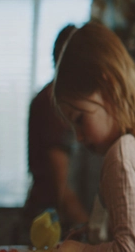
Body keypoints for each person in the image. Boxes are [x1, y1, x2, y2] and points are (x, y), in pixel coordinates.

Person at [53, 21, 135, 252]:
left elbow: (130, 250)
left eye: (79, 119)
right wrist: (93, 232)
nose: (78, 137)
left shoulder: (122, 156)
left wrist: (78, 250)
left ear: (108, 88)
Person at [24, 24, 89, 232]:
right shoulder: (52, 103)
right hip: (50, 222)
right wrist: (93, 234)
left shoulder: (57, 99)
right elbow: (62, 189)